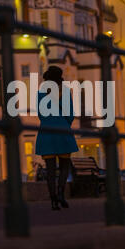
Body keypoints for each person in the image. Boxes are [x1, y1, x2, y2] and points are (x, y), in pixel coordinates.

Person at [35, 66, 78, 210]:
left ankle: (53, 199)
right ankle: (61, 194)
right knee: (65, 166)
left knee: (50, 170)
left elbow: (40, 114)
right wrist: (64, 123)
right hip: (63, 132)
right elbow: (70, 114)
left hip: (46, 133)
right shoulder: (64, 92)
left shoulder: (41, 93)